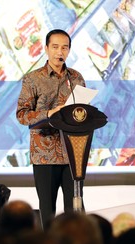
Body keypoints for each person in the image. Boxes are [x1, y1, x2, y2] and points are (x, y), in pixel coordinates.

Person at [16, 29, 86, 228]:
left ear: (69, 50)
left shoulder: (77, 78)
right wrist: (48, 114)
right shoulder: (32, 79)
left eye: (64, 47)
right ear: (46, 49)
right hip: (44, 154)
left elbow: (82, 113)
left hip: (73, 153)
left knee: (75, 211)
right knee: (48, 211)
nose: (59, 52)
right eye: (55, 47)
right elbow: (22, 115)